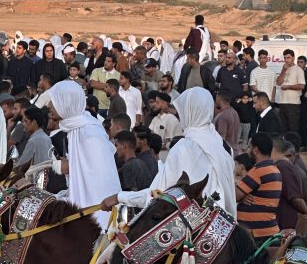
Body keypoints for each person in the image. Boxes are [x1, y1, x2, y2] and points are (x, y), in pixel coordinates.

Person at [102, 87, 236, 215]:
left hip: (194, 227)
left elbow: (157, 193)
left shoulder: (185, 146)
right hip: (221, 225)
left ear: (189, 112)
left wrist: (119, 197)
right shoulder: (223, 146)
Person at [48, 80, 121, 228]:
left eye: (54, 101)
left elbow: (97, 182)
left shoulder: (89, 133)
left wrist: (67, 166)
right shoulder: (77, 126)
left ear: (66, 103)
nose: (49, 105)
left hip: (98, 213)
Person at [275, 49, 305, 137]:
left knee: (293, 127)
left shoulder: (298, 70)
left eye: (288, 57)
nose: (286, 60)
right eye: (285, 58)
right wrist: (283, 71)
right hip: (282, 102)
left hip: (293, 103)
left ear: (293, 58)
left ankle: (294, 147)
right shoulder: (284, 68)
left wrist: (288, 87)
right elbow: (279, 83)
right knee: (283, 127)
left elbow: (301, 86)